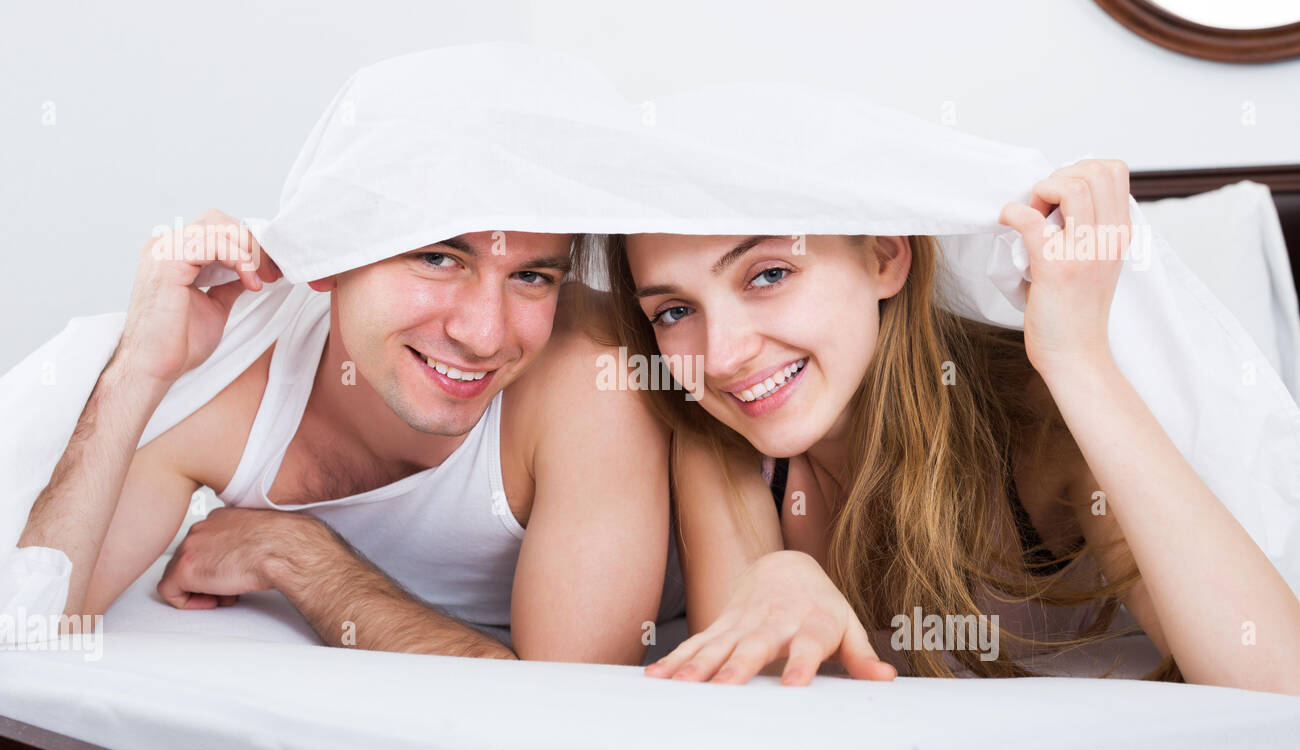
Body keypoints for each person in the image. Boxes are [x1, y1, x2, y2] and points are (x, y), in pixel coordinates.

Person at [600, 159, 1300, 693]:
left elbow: (1276, 687)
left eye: (768, 274)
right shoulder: (719, 437)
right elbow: (755, 707)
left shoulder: (1040, 433)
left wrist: (1077, 357)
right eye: (673, 311)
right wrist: (782, 573)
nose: (721, 357)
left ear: (884, 257)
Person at [17, 211, 678, 664]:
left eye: (531, 276)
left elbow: (560, 716)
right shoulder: (229, 379)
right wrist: (140, 367)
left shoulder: (592, 373)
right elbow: (32, 627)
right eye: (438, 257)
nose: (485, 334)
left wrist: (298, 556)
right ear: (332, 258)